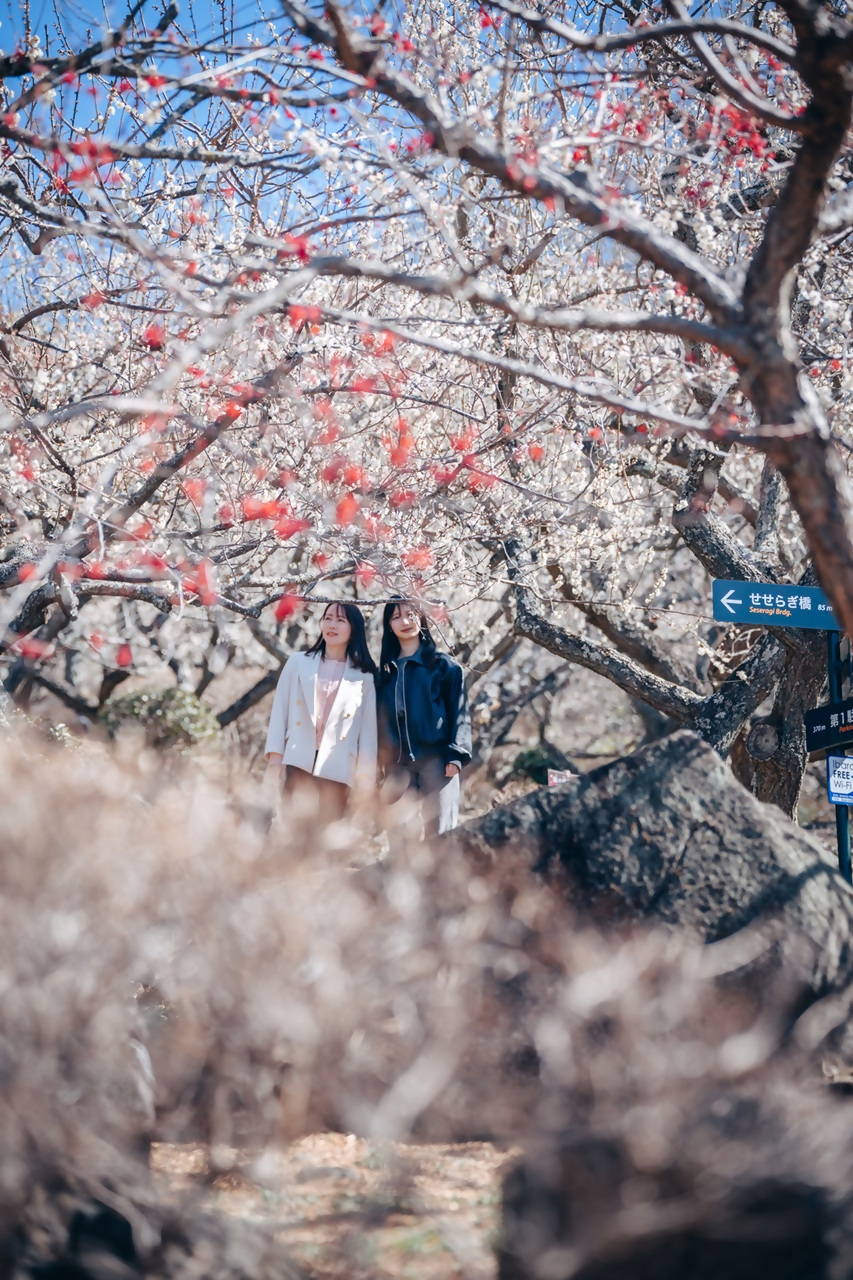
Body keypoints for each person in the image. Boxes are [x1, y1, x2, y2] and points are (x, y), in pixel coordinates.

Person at [264, 601, 377, 820]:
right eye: (328, 618)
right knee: (292, 830)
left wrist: (365, 781)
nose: (332, 625)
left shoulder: (364, 677)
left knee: (327, 837)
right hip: (298, 760)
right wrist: (275, 762)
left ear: (353, 629)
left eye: (340, 620)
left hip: (339, 765)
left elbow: (368, 734)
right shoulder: (297, 662)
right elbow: (280, 712)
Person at [376, 599, 472, 842]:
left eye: (410, 614)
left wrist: (456, 755)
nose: (405, 621)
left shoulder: (445, 667)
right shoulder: (383, 675)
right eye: (396, 617)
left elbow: (459, 713)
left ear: (421, 619)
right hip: (397, 767)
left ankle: (440, 882)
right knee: (399, 839)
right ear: (388, 625)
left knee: (440, 835)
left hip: (437, 761)